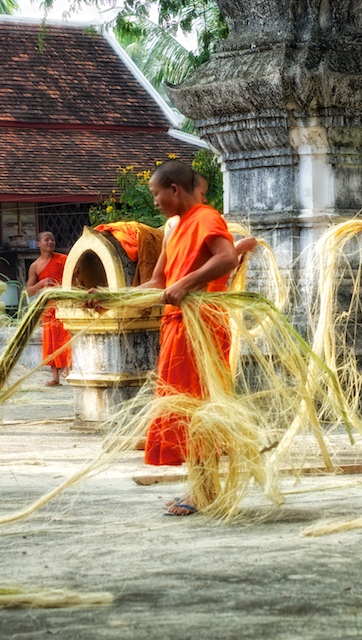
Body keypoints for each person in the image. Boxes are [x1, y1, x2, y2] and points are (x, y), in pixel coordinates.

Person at [137, 160, 239, 515]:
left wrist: (187, 283)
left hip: (202, 328)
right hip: (176, 327)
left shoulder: (207, 219)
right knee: (182, 407)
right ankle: (202, 487)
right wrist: (107, 298)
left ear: (174, 190)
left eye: (156, 194)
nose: (155, 202)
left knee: (200, 407)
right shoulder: (175, 229)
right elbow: (157, 282)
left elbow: (227, 259)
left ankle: (205, 490)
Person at [26, 231, 71, 386]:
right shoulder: (35, 266)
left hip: (64, 303)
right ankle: (55, 377)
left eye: (52, 239)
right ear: (39, 244)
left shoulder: (64, 260)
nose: (50, 242)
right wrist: (42, 283)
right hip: (48, 307)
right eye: (47, 240)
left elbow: (74, 276)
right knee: (51, 340)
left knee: (66, 337)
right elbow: (29, 290)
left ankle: (68, 369)